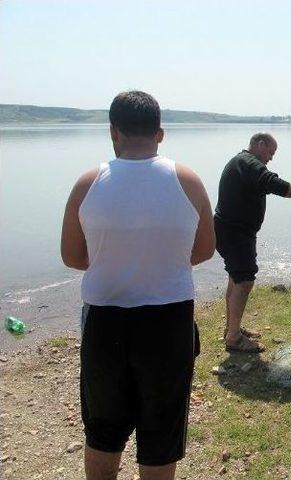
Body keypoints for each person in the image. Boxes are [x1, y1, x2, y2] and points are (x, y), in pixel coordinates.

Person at [61, 91, 215, 480]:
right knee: (161, 432)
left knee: (103, 430)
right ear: (159, 133)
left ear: (114, 132)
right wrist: (160, 259)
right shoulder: (188, 180)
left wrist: (116, 258)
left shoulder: (87, 182)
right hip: (169, 321)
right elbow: (205, 250)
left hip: (105, 321)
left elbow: (72, 257)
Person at [215, 133, 291, 353]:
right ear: (259, 144)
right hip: (235, 232)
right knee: (244, 282)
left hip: (232, 231)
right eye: (270, 152)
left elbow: (263, 183)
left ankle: (231, 329)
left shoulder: (243, 163)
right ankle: (234, 338)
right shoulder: (247, 162)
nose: (271, 158)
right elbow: (271, 182)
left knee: (236, 279)